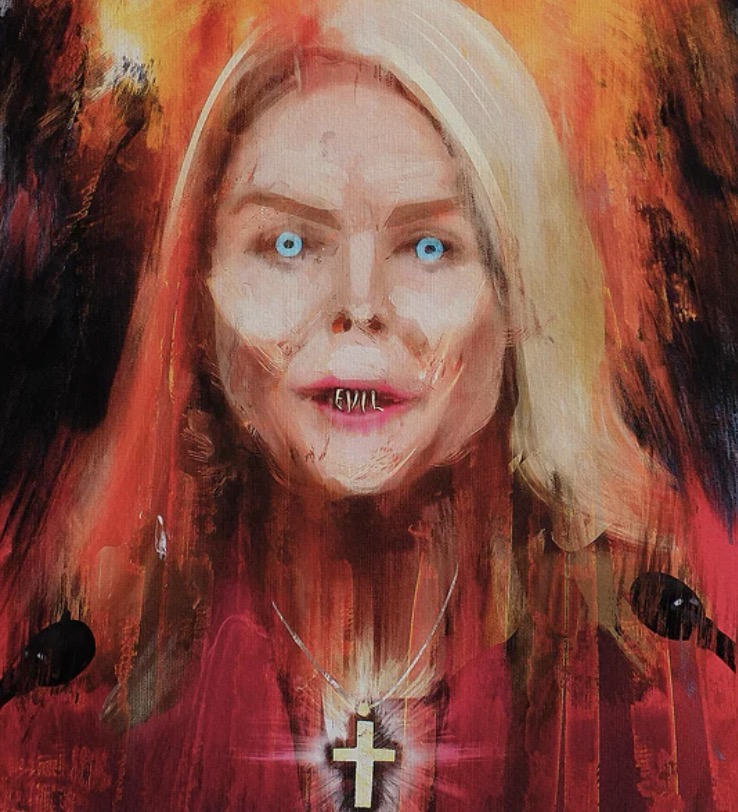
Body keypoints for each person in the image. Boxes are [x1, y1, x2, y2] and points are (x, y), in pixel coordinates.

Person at [1, 0, 733, 809]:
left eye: (430, 246)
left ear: (522, 303)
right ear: (196, 300)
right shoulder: (62, 673)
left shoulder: (671, 652)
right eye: (287, 244)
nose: (358, 304)